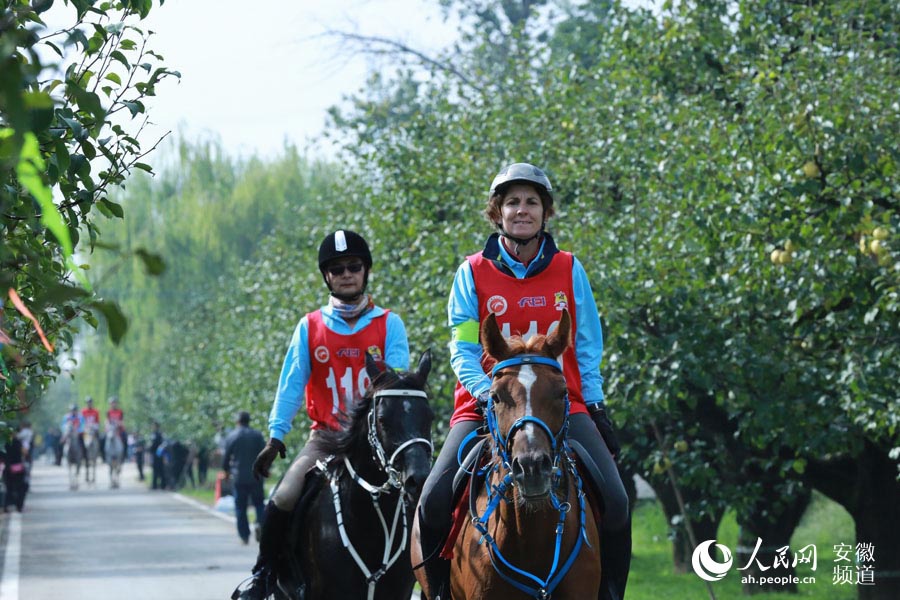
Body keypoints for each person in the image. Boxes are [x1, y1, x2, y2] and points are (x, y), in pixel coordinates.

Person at [416, 163, 631, 600]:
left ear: (545, 212)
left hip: (560, 404)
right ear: (497, 212)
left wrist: (596, 403)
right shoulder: (471, 272)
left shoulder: (570, 269)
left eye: (531, 202)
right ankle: (439, 592)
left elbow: (587, 345)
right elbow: (461, 346)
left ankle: (608, 591)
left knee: (617, 500)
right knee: (432, 500)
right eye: (512, 202)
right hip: (483, 405)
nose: (522, 210)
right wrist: (485, 393)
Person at [233, 229, 410, 600]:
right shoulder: (309, 326)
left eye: (354, 266)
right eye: (337, 268)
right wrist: (276, 435)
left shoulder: (389, 324)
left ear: (366, 271)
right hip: (325, 438)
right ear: (326, 276)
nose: (346, 274)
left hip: (375, 443)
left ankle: (431, 578)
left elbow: (395, 389)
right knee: (283, 496)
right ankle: (265, 575)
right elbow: (291, 385)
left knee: (418, 497)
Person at [223, 411, 267, 545]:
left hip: (239, 477)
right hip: (256, 475)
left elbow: (226, 457)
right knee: (259, 504)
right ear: (249, 421)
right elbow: (265, 454)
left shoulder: (232, 436)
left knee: (240, 506)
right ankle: (260, 525)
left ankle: (244, 535)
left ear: (237, 421)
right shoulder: (257, 435)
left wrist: (226, 471)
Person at [149, 421, 166, 490]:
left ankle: (161, 484)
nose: (152, 427)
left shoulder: (158, 434)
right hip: (155, 453)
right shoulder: (154, 434)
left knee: (159, 469)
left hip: (158, 453)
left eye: (153, 426)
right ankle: (155, 484)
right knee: (155, 469)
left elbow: (156, 444)